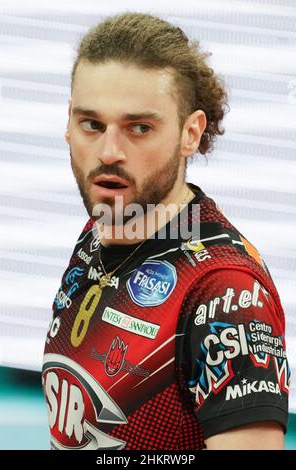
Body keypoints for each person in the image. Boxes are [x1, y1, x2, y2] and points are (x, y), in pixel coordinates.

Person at [42, 12, 290, 450]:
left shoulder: (224, 292)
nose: (109, 152)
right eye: (92, 125)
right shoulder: (105, 225)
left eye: (140, 128)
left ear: (190, 132)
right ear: (68, 123)